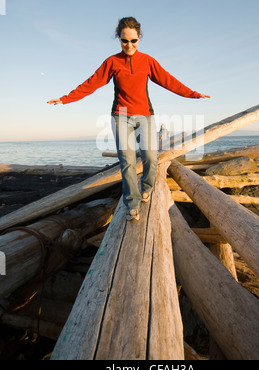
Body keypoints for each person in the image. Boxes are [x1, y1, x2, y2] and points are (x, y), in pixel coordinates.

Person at [48, 16, 210, 222]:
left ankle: (147, 188)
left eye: (133, 40)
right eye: (125, 40)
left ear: (139, 39)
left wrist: (193, 94)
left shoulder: (148, 61)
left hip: (145, 115)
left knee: (151, 157)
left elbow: (169, 81)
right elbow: (91, 83)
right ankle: (131, 204)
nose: (129, 45)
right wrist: (64, 99)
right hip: (121, 116)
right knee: (127, 161)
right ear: (119, 39)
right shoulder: (112, 62)